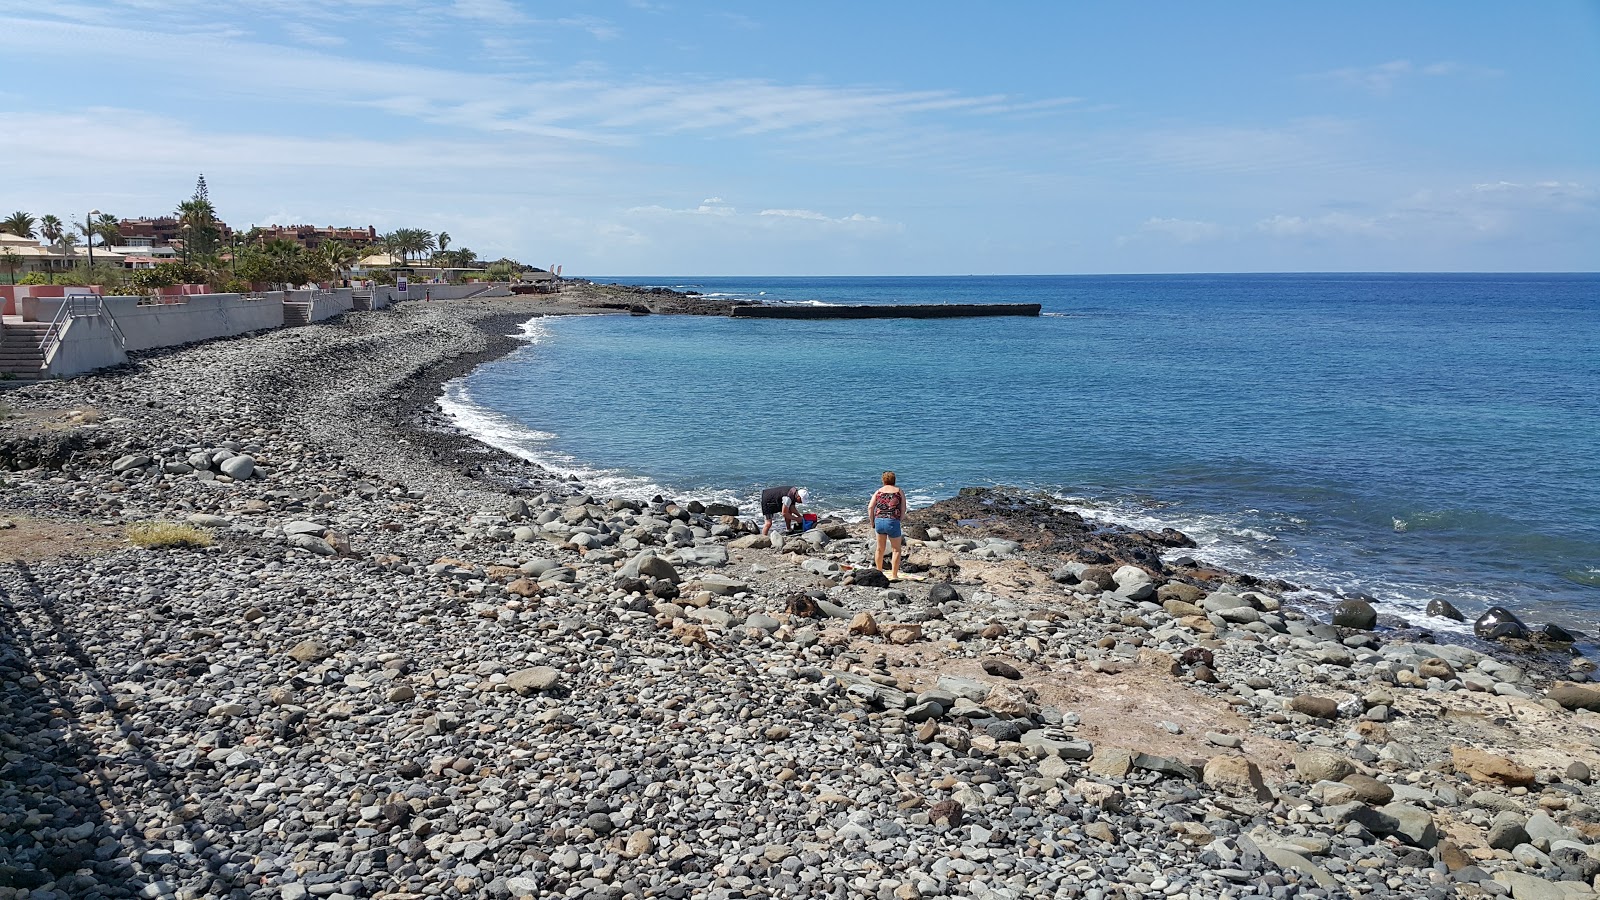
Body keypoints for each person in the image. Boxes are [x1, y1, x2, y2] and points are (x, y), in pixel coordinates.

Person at [867, 471, 907, 579]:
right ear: (894, 480)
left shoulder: (878, 491)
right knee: (896, 549)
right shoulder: (899, 491)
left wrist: (872, 521)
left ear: (883, 480)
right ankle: (894, 575)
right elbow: (903, 508)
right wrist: (900, 519)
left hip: (879, 521)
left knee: (880, 549)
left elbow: (870, 507)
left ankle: (879, 572)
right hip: (892, 521)